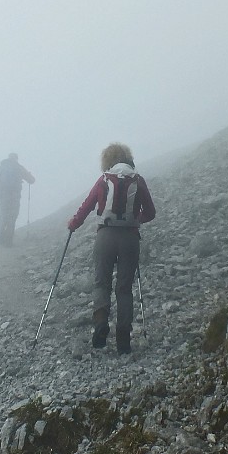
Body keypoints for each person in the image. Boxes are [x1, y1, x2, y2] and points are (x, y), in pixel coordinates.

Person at [67, 142, 156, 353]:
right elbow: (151, 212)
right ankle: (124, 338)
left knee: (101, 283)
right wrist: (135, 219)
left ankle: (100, 324)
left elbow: (86, 206)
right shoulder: (138, 180)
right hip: (130, 239)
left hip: (105, 236)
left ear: (107, 161)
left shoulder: (104, 180)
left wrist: (73, 224)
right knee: (124, 288)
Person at [0, 153, 35, 246]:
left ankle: (0, 238)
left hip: (4, 197)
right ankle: (8, 242)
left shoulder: (1, 168)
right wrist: (30, 176)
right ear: (16, 159)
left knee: (3, 216)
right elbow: (32, 180)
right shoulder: (18, 167)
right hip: (15, 197)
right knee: (12, 217)